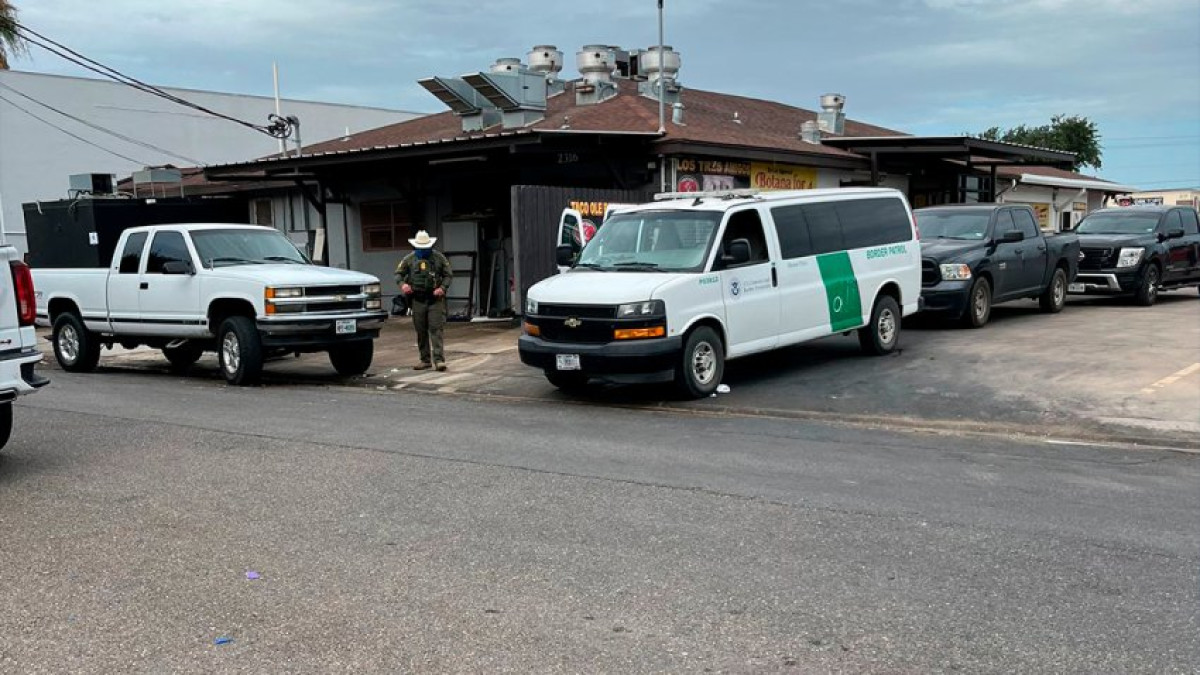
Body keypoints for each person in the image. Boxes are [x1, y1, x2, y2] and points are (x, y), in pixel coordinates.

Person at [395, 230, 453, 371]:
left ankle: (439, 360)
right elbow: (398, 274)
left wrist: (443, 288)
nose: (423, 250)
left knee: (436, 329)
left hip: (435, 299)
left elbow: (448, 275)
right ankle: (425, 359)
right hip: (417, 299)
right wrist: (403, 285)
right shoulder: (408, 259)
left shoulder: (439, 258)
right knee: (421, 330)